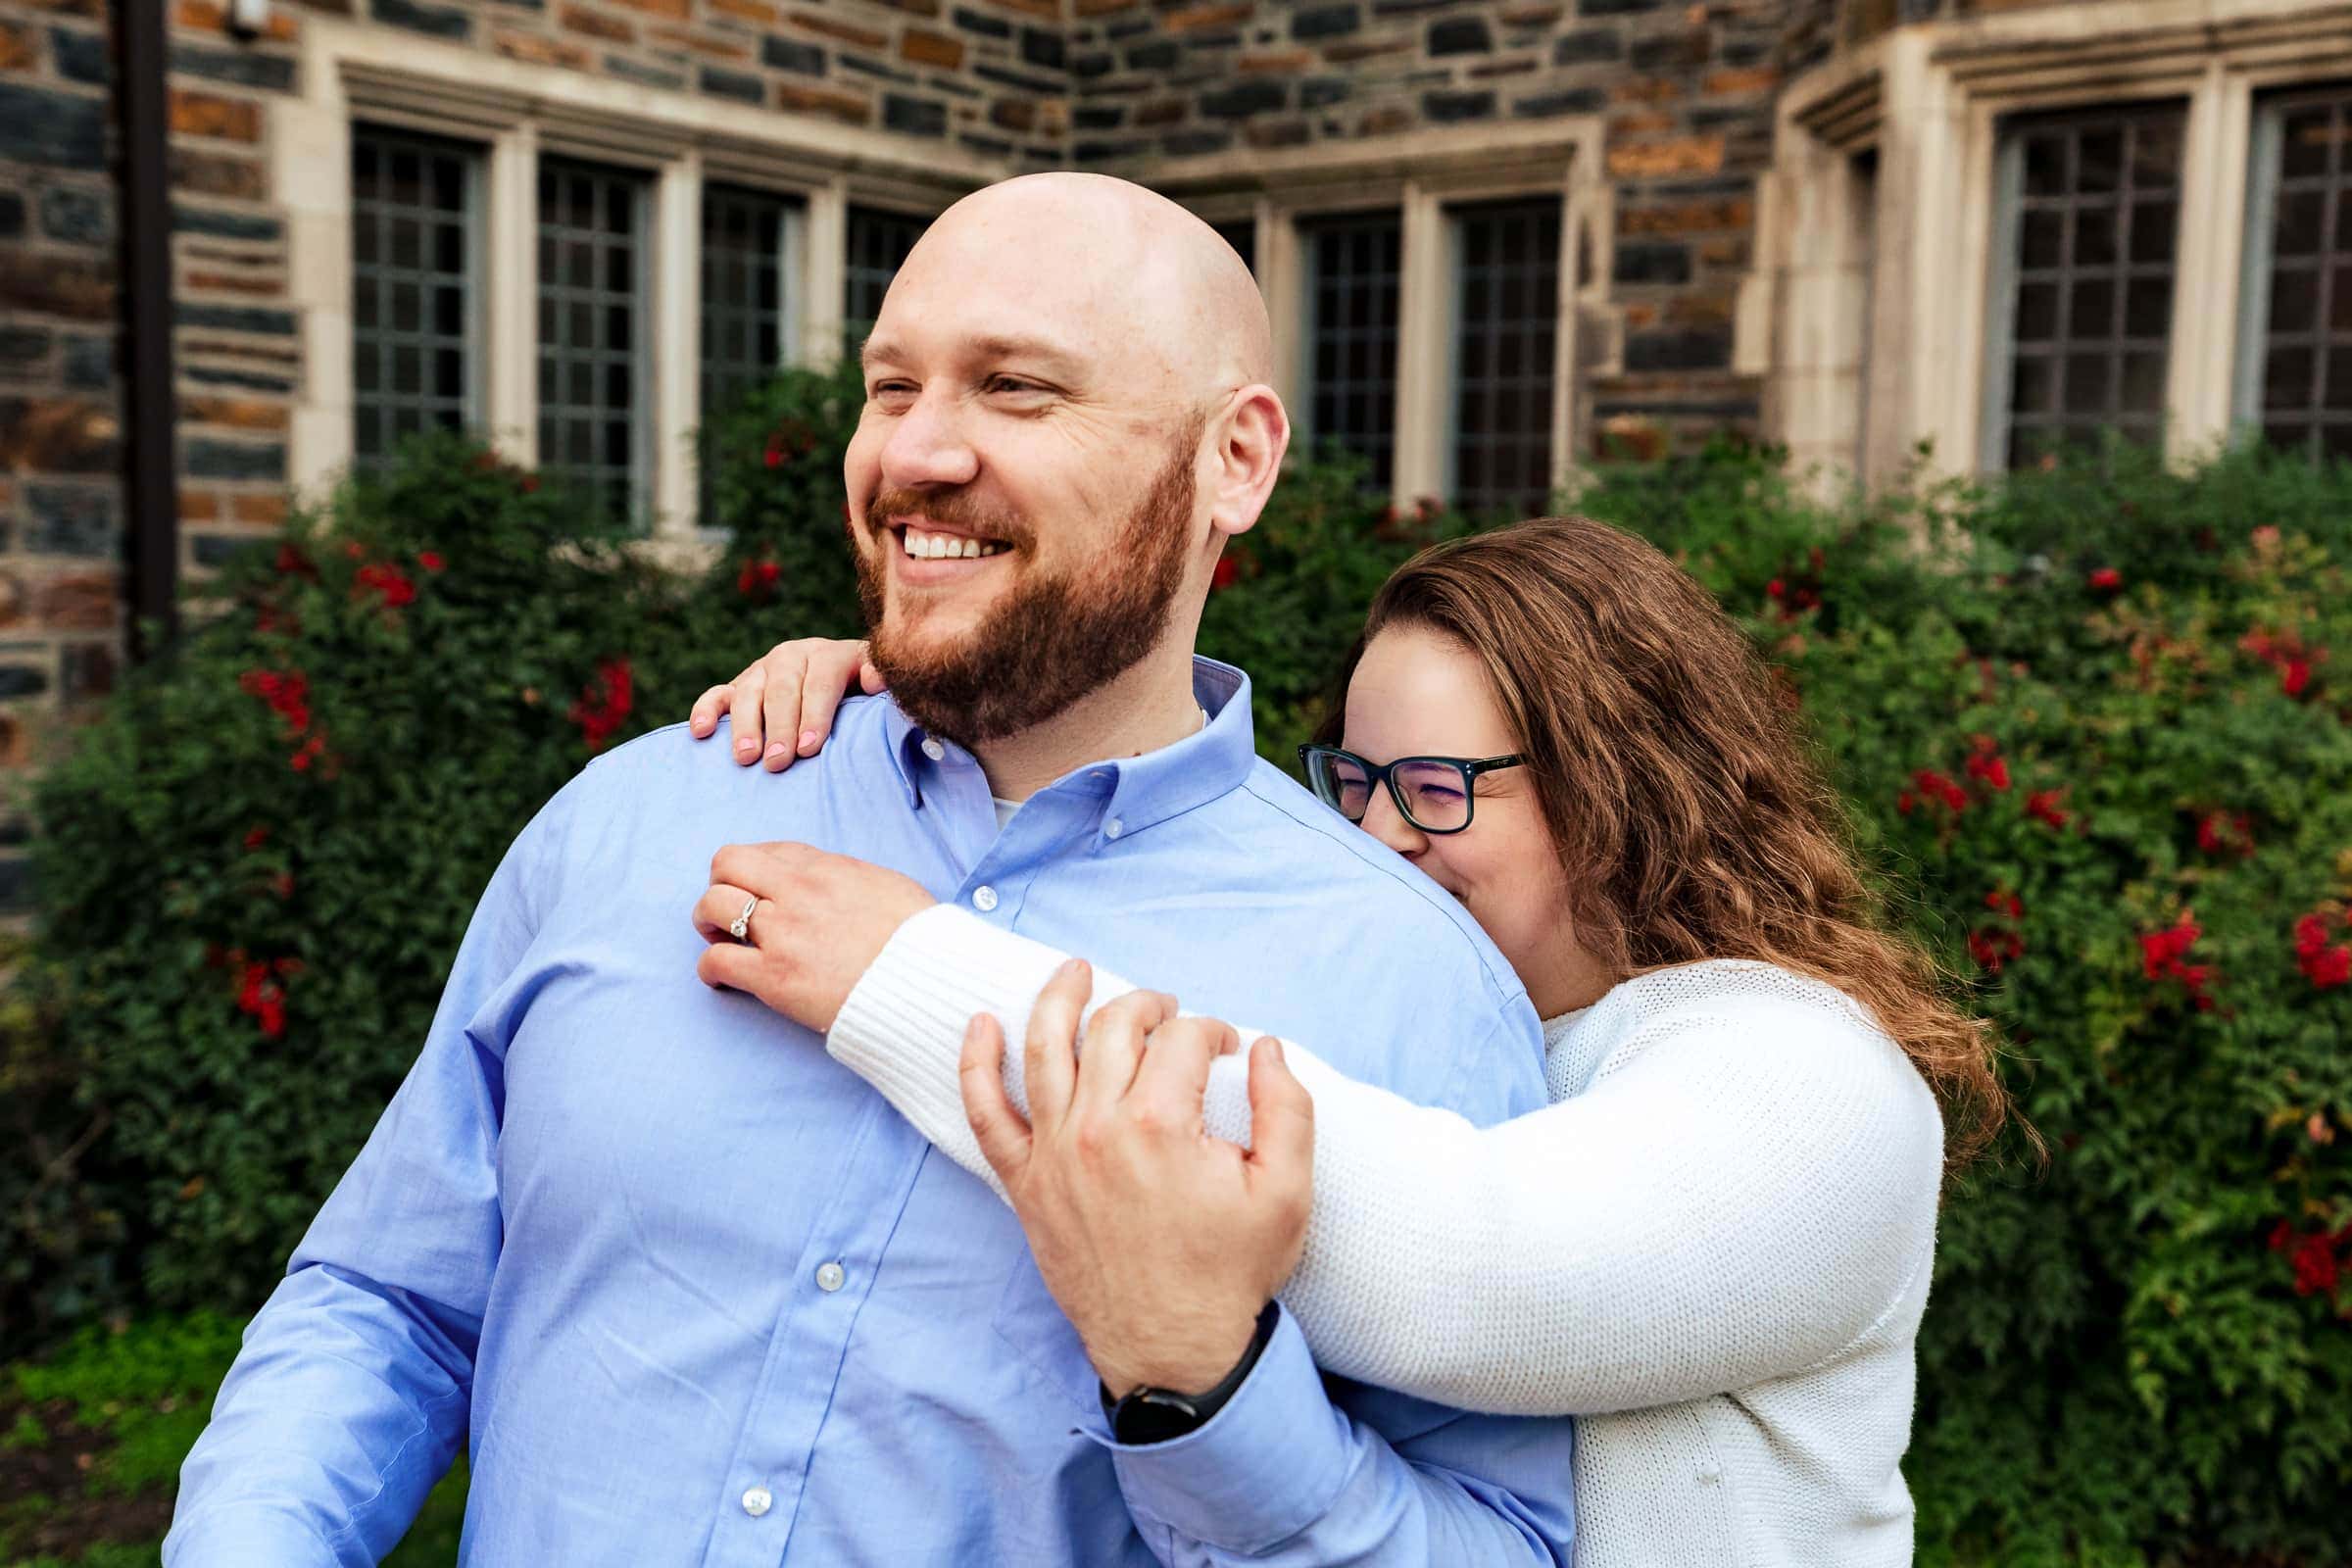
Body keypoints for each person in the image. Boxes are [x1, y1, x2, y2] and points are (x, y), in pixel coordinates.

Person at [164, 174, 1579, 1566]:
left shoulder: (1408, 986)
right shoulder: (632, 820)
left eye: (1017, 388)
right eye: (892, 387)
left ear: (1235, 461)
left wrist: (1207, 1389)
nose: (916, 455)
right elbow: (389, 1300)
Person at [683, 514, 2016, 1567]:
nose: (1377, 839)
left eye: (1438, 789)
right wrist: (912, 708)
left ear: (1627, 787)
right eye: (1357, 783)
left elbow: (1474, 1272)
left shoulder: (1812, 1077)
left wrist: (908, 975)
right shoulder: (1430, 1029)